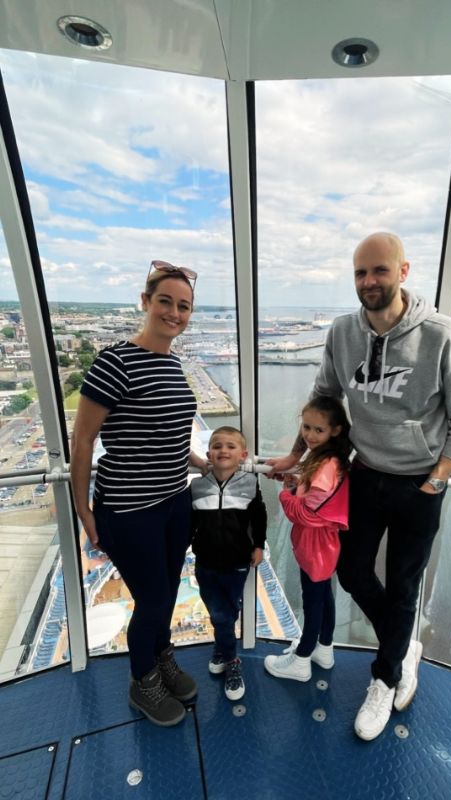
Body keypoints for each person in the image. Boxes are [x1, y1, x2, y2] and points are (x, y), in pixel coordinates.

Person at [269, 232, 451, 741]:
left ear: (403, 271)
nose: (369, 282)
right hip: (364, 475)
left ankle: (386, 678)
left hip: (419, 485)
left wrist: (437, 478)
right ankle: (402, 640)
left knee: (406, 584)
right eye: (361, 273)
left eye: (379, 271)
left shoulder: (442, 335)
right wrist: (297, 458)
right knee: (351, 570)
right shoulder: (343, 333)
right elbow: (323, 398)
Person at [71, 260, 207, 728]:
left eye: (183, 306)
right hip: (130, 510)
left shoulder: (172, 363)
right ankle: (141, 681)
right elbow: (83, 441)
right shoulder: (115, 360)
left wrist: (200, 463)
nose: (174, 312)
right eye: (165, 301)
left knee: (167, 592)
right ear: (146, 302)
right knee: (151, 599)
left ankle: (161, 655)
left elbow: (167, 434)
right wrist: (83, 510)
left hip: (174, 500)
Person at [264, 396, 351, 682]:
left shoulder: (326, 466)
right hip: (320, 544)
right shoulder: (326, 458)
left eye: (318, 430)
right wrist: (292, 482)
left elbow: (306, 513)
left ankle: (301, 659)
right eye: (306, 428)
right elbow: (311, 495)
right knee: (323, 596)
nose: (309, 436)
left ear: (335, 431)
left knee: (312, 601)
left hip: (316, 545)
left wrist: (285, 495)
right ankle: (324, 649)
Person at [190, 426, 267, 701]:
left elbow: (259, 517)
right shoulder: (197, 486)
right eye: (217, 445)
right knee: (218, 613)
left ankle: (229, 657)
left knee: (227, 613)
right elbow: (190, 524)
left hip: (236, 562)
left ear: (242, 454)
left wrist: (259, 544)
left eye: (231, 446)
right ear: (208, 453)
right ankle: (225, 649)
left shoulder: (249, 483)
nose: (223, 450)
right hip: (206, 563)